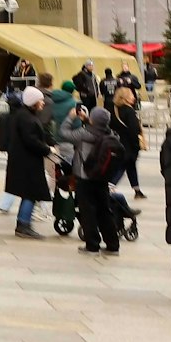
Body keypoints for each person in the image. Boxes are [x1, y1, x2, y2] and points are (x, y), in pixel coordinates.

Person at [71, 107, 124, 255]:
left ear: (93, 119)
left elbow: (64, 134)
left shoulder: (85, 133)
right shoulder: (111, 134)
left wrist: (74, 118)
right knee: (104, 211)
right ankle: (113, 244)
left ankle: (92, 245)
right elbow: (98, 126)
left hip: (86, 176)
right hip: (102, 177)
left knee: (87, 210)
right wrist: (89, 120)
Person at [5, 86, 53, 238]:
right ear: (34, 102)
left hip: (23, 161)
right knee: (31, 193)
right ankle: (23, 224)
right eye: (40, 100)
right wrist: (48, 149)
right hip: (27, 162)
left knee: (29, 193)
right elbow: (31, 141)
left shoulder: (23, 115)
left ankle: (23, 223)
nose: (43, 103)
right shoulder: (28, 118)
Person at [108, 85, 146, 200]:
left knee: (130, 166)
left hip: (117, 142)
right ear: (125, 98)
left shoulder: (113, 109)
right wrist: (137, 145)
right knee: (123, 165)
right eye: (131, 95)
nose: (134, 97)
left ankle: (137, 190)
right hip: (128, 144)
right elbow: (134, 129)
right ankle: (111, 185)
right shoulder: (129, 111)